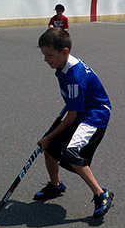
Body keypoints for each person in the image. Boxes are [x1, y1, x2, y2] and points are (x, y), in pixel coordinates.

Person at [35, 27, 113, 218]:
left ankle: (101, 193)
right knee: (51, 147)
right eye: (44, 54)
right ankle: (56, 186)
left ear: (65, 52)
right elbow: (73, 106)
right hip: (79, 111)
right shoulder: (62, 65)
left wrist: (48, 136)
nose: (46, 59)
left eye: (49, 55)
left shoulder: (74, 77)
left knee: (71, 153)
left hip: (94, 116)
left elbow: (71, 116)